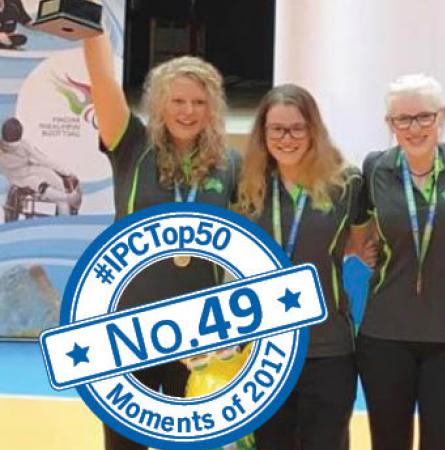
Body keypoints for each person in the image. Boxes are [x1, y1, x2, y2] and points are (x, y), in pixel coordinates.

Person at [82, 32, 239, 450]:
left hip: (199, 332)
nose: (188, 111)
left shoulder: (230, 163)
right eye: (178, 100)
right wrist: (91, 29)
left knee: (190, 444)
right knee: (124, 444)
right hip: (126, 328)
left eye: (200, 102)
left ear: (213, 108)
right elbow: (101, 79)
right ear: (159, 103)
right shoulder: (131, 144)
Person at [237, 83, 371, 450]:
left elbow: (363, 244)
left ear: (313, 129)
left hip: (327, 348)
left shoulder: (347, 184)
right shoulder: (247, 187)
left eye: (297, 127)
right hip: (264, 352)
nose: (287, 138)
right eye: (276, 129)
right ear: (263, 134)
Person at [356, 73, 445, 450]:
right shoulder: (375, 167)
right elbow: (361, 238)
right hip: (384, 337)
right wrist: (369, 251)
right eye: (402, 119)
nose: (414, 128)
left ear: (442, 116)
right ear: (389, 124)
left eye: (424, 117)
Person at [1, 117, 81, 216]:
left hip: (26, 172)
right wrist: (66, 171)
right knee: (41, 181)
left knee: (51, 179)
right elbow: (44, 160)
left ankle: (64, 201)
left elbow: (43, 161)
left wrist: (65, 171)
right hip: (23, 176)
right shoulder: (24, 145)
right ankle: (66, 200)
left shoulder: (11, 146)